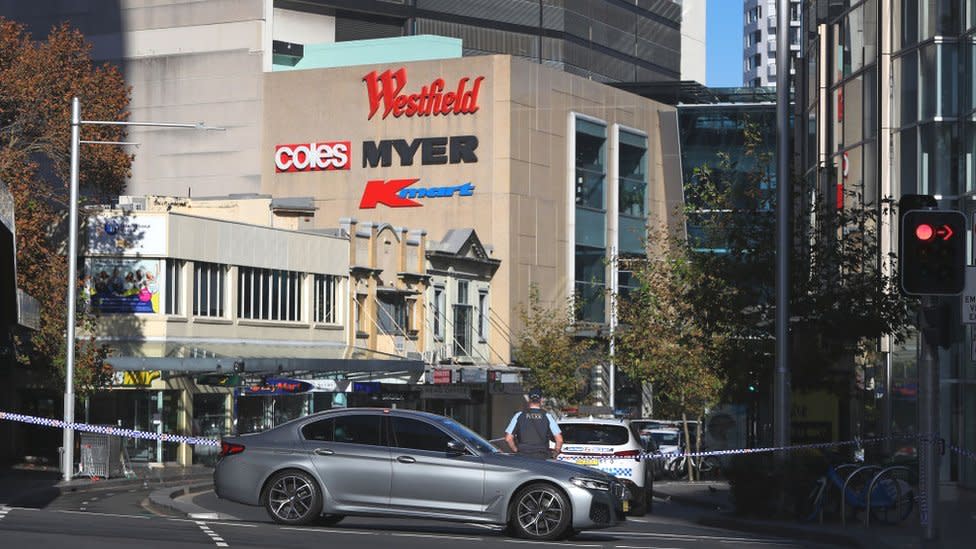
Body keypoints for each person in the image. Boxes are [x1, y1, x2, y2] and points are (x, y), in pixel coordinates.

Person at [504, 387, 563, 459]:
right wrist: (555, 453)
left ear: (529, 399)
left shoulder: (519, 415)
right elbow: (559, 440)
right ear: (541, 400)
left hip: (522, 456)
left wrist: (515, 450)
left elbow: (508, 438)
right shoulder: (547, 416)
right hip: (542, 457)